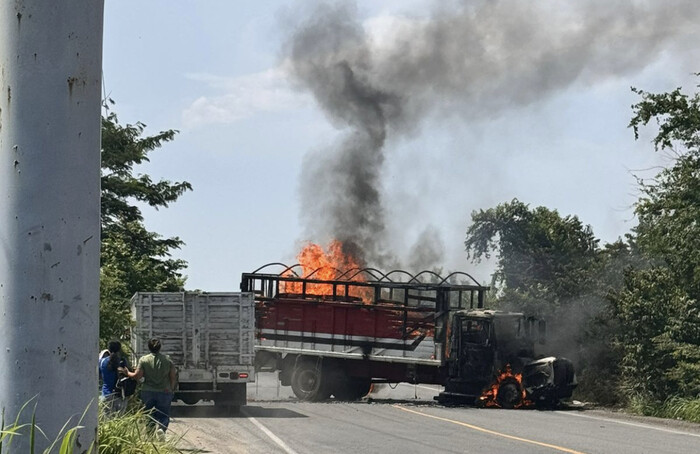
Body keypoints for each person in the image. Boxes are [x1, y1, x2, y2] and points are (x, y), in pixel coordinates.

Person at [122, 338, 177, 436]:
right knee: (164, 414)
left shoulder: (144, 360)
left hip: (147, 391)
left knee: (149, 415)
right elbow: (173, 377)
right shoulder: (167, 360)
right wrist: (171, 389)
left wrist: (127, 373)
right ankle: (161, 430)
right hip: (164, 391)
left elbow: (137, 376)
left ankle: (150, 435)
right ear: (160, 348)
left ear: (149, 347)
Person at [98, 340, 129, 414]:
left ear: (109, 349)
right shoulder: (122, 361)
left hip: (106, 394)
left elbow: (99, 376)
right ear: (119, 350)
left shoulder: (102, 362)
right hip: (120, 395)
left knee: (107, 421)